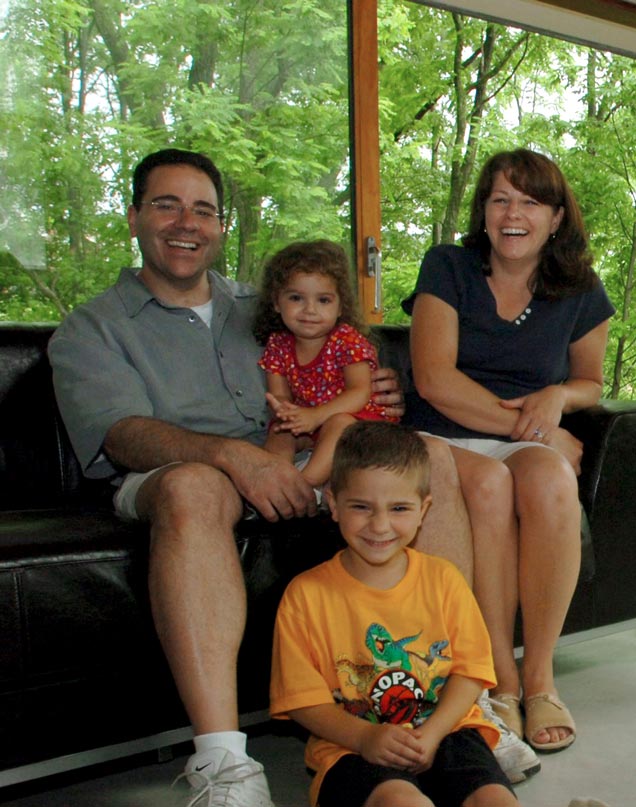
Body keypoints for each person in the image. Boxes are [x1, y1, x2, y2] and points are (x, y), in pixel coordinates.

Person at [46, 148, 537, 807]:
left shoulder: (273, 305)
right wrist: (231, 455)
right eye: (166, 205)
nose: (186, 222)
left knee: (430, 460)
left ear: (221, 226)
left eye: (203, 209)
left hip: (304, 458)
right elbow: (120, 433)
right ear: (134, 217)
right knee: (195, 485)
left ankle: (465, 711)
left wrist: (376, 395)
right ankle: (222, 761)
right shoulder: (92, 327)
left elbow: (347, 368)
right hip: (175, 473)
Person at [405, 148, 613, 752]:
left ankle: (541, 676)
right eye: (500, 199)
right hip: (438, 432)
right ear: (484, 212)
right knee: (494, 483)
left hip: (513, 438)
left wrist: (556, 398)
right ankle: (497, 675)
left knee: (551, 482)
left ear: (556, 217)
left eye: (530, 201)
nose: (513, 213)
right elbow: (434, 380)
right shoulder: (447, 266)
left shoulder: (580, 290)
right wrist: (539, 427)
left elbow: (590, 383)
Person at [270, 422, 517, 807]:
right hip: (351, 747)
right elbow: (302, 701)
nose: (380, 525)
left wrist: (433, 734)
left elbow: (472, 672)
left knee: (496, 801)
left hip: (447, 730)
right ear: (333, 504)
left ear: (424, 509)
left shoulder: (444, 579)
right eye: (361, 507)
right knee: (403, 803)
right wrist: (365, 738)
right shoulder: (306, 596)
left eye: (399, 508)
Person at [255, 239, 397, 487]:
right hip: (312, 424)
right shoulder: (278, 344)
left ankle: (305, 484)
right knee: (281, 429)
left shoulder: (346, 340)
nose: (310, 310)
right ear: (277, 302)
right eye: (296, 298)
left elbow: (360, 392)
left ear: (341, 305)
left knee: (338, 423)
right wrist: (288, 413)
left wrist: (315, 415)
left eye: (323, 300)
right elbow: (279, 394)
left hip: (359, 421)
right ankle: (274, 481)